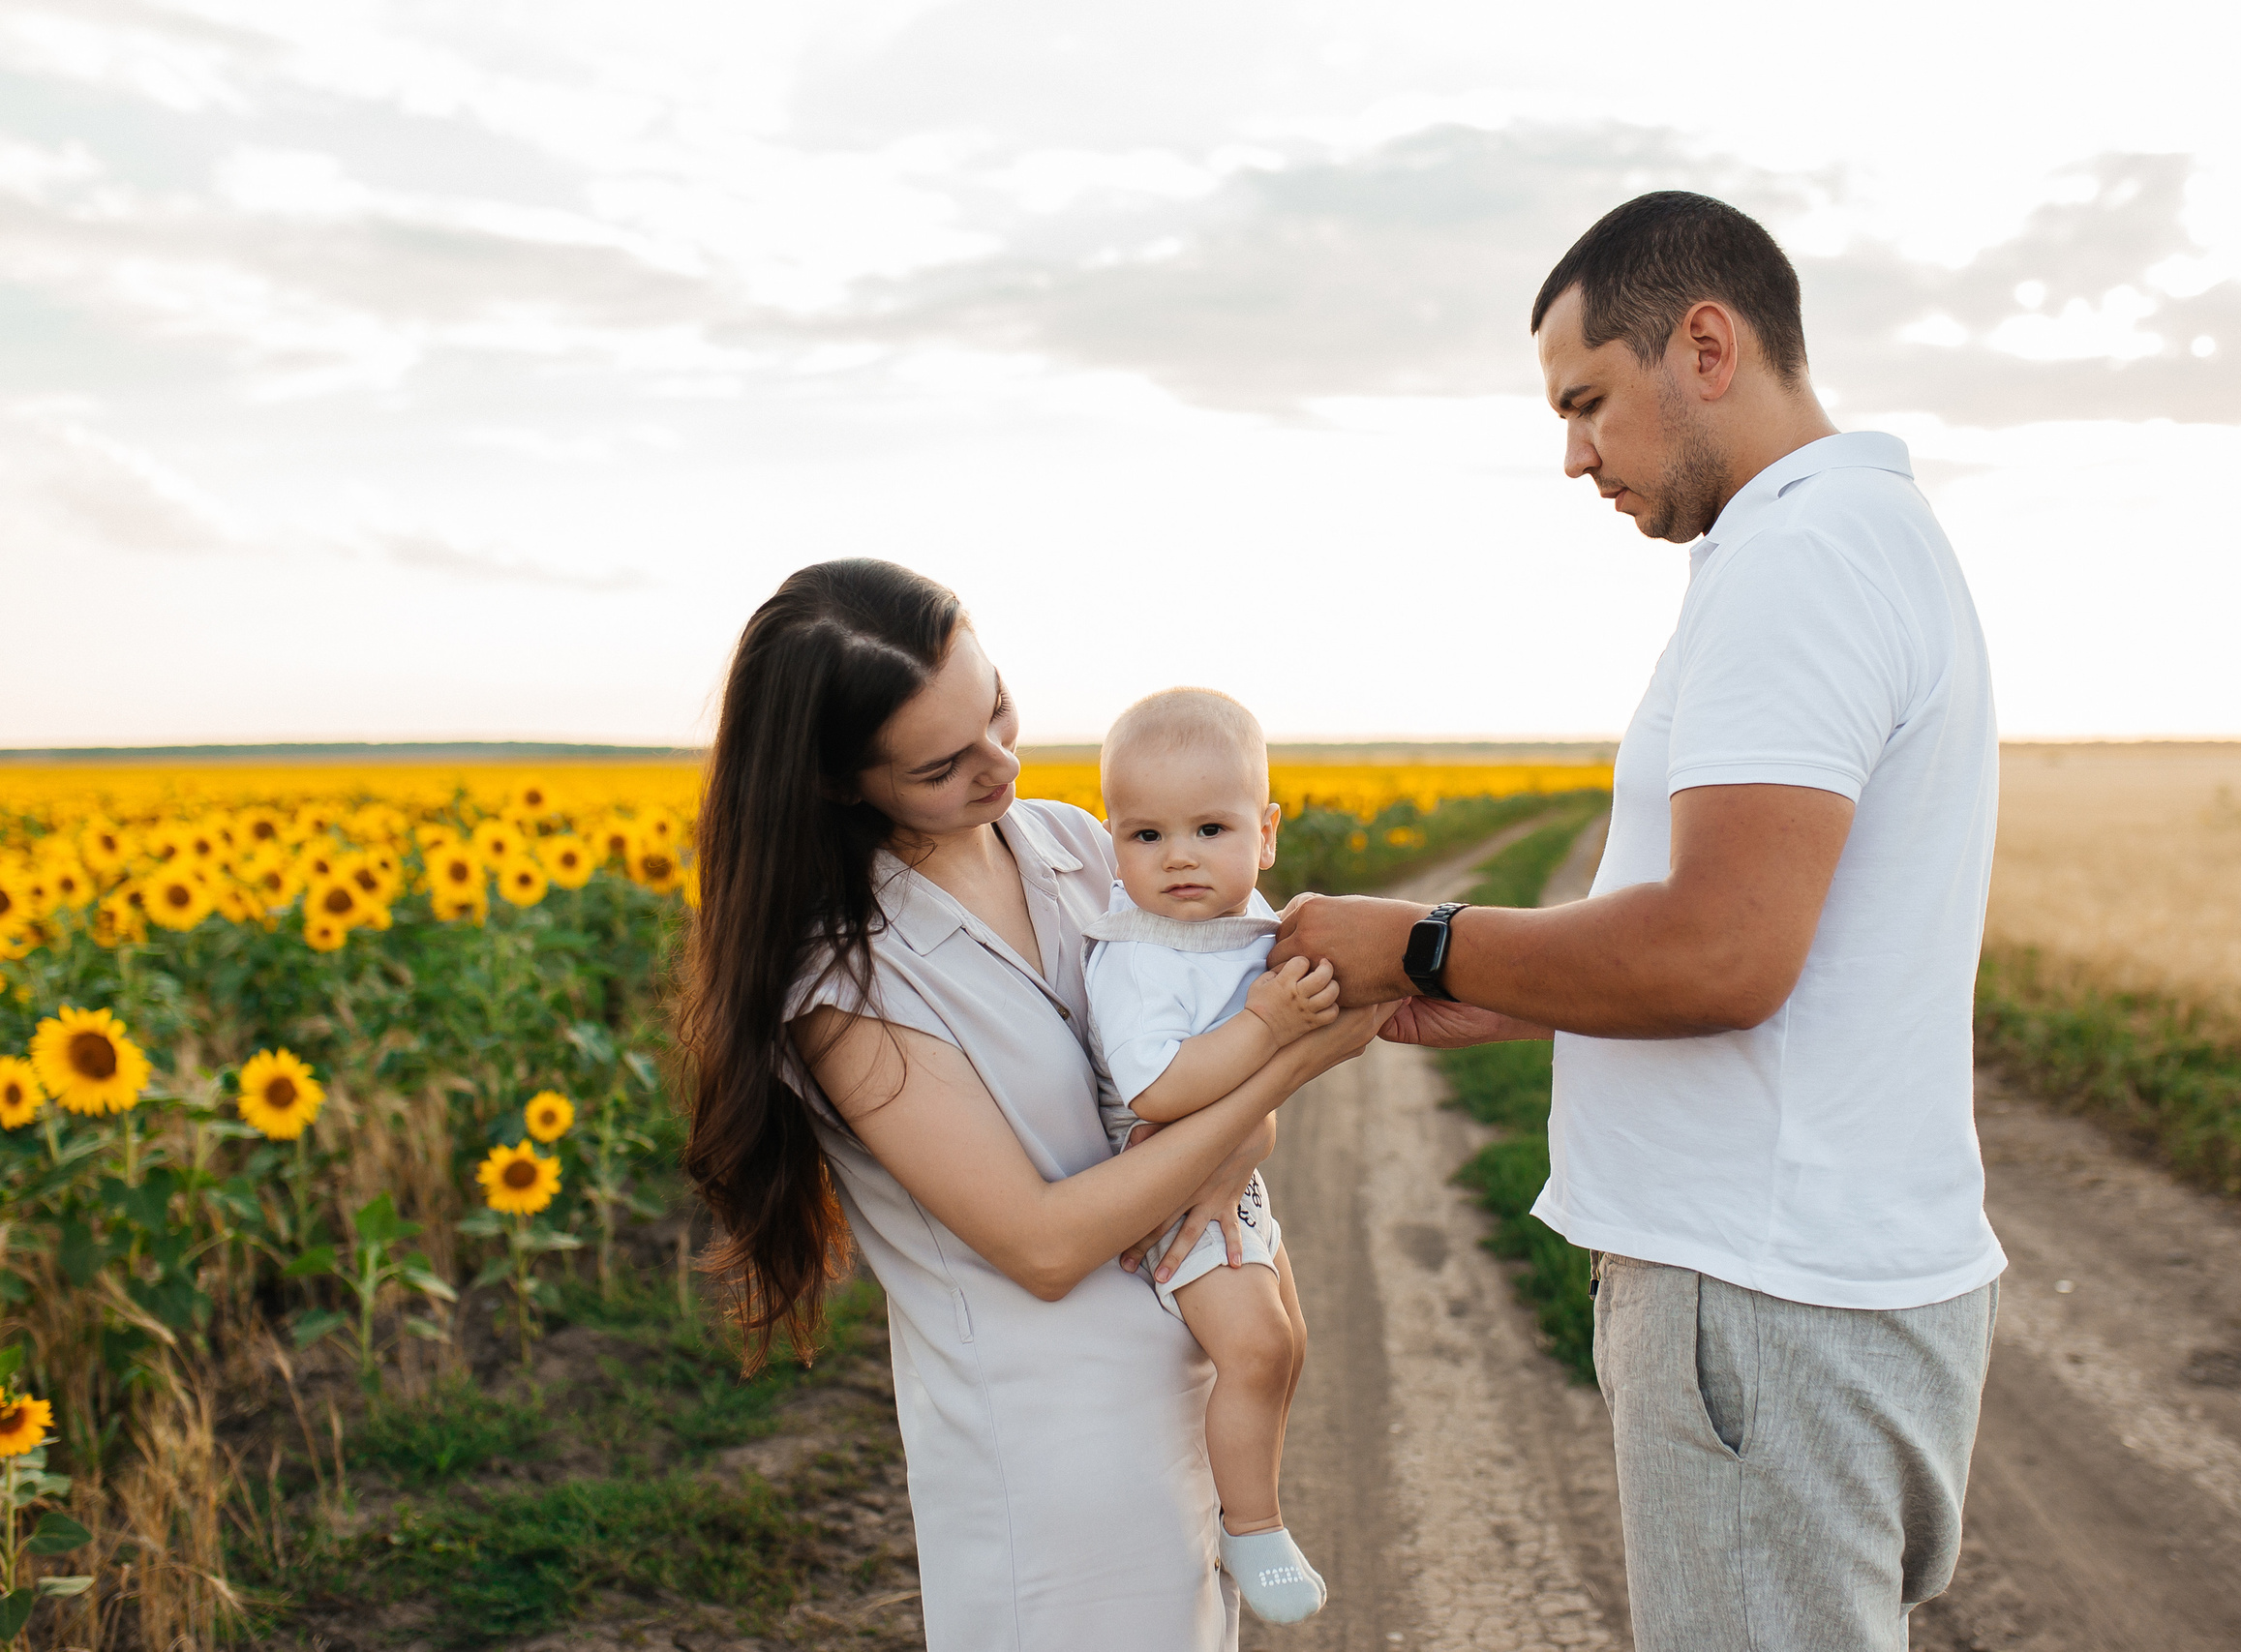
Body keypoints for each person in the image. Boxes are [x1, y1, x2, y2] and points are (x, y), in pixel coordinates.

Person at [1271, 191, 2009, 1650]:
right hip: (1830, 1271)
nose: (1573, 453)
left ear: (1709, 344)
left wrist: (1419, 937)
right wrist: (1529, 987)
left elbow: (1723, 952)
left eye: (1588, 400)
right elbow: (1769, 931)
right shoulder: (1863, 536)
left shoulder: (1801, 561)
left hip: (1764, 1293)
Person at [677, 560, 1390, 1650]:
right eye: (942, 763)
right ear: (835, 781)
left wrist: (1243, 1127)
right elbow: (1044, 1246)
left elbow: (1203, 1082)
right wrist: (1290, 1063)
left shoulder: (1075, 844)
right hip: (1053, 1466)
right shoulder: (845, 987)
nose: (1000, 763)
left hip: (1198, 1399)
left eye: (997, 707)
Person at [1083, 687, 1333, 1624]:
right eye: (1145, 836)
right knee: (1257, 1345)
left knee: (1289, 1342)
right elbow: (1157, 1090)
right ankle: (1250, 1527)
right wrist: (1272, 1023)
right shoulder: (1141, 953)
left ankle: (1245, 1495)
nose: (1179, 855)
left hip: (1225, 1165)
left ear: (1263, 833)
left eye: (1210, 828)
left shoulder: (1233, 921)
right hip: (1159, 1178)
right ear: (1113, 843)